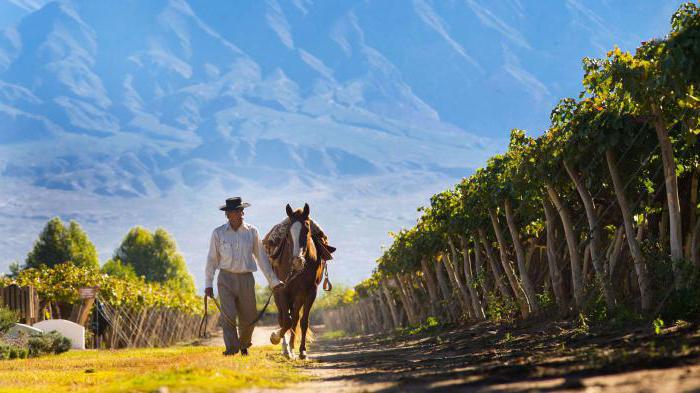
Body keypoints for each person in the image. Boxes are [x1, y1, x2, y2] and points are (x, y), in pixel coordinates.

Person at [204, 197, 284, 356]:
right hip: (225, 279)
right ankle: (232, 349)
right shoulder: (218, 233)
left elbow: (261, 257)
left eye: (241, 210)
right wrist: (208, 284)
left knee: (249, 317)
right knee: (228, 316)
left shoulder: (252, 232)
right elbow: (212, 259)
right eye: (236, 211)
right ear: (227, 215)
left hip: (246, 279)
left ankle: (243, 344)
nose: (240, 214)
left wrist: (273, 281)